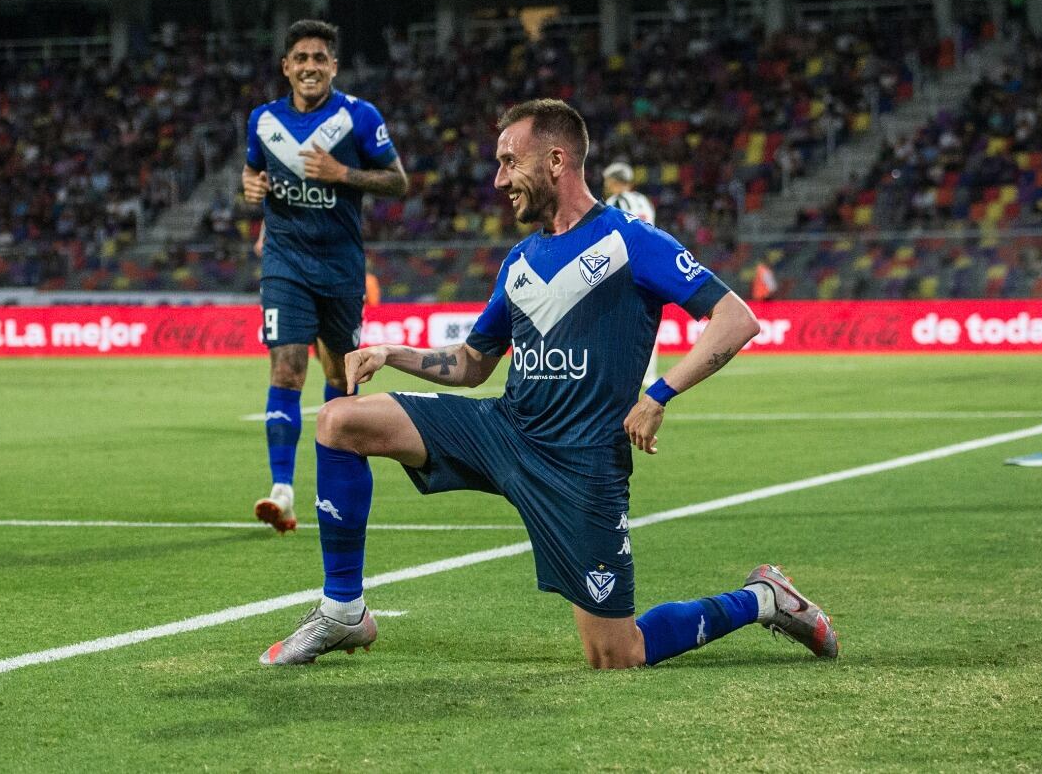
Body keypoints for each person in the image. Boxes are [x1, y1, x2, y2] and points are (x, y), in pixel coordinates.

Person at [260, 99, 838, 668]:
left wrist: (658, 395)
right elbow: (471, 364)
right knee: (340, 420)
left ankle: (763, 599)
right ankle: (343, 612)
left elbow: (736, 318)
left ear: (557, 160)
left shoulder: (629, 240)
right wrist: (391, 353)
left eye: (511, 161)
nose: (498, 179)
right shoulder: (520, 259)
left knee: (616, 655)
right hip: (505, 432)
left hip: (581, 464)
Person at [243, 19, 409, 533]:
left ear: (333, 66)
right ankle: (282, 490)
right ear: (286, 66)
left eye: (320, 58)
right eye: (301, 58)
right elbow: (253, 178)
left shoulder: (359, 117)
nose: (310, 66)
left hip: (339, 268)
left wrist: (343, 175)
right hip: (285, 263)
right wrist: (249, 192)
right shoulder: (262, 121)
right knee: (288, 368)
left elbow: (398, 182)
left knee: (340, 380)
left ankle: (333, 486)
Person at [602, 160, 660, 385]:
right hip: (649, 267)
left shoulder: (614, 202)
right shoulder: (644, 201)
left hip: (624, 268)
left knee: (615, 323)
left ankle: (617, 372)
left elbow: (609, 236)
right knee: (646, 323)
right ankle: (649, 375)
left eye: (608, 182)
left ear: (615, 182)